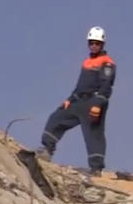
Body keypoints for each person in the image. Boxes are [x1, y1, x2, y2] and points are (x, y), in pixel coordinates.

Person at [37, 26, 117, 176]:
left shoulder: (107, 62)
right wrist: (69, 99)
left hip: (94, 101)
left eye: (97, 43)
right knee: (56, 118)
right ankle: (46, 150)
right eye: (91, 42)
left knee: (94, 134)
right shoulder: (86, 62)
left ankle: (96, 169)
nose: (94, 46)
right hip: (79, 100)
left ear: (103, 45)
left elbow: (106, 86)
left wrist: (97, 104)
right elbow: (80, 86)